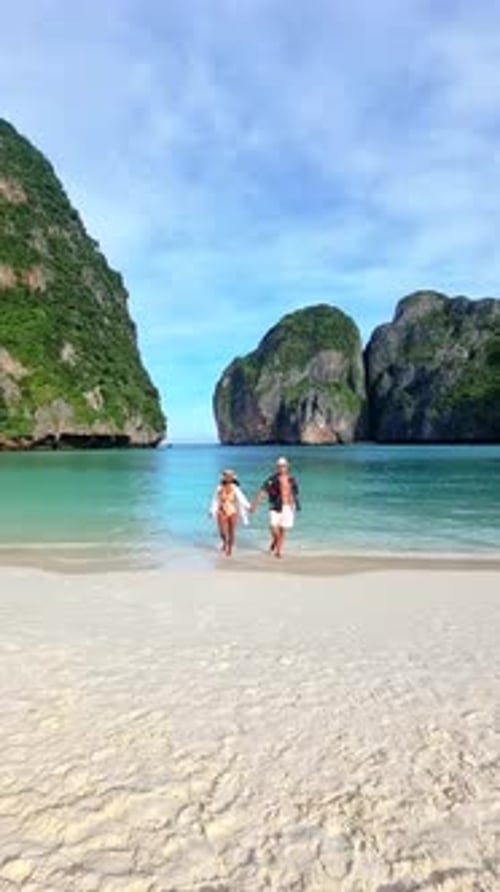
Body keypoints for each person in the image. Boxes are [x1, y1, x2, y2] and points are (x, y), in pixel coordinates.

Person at [251, 456, 300, 558]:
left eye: (284, 466)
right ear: (277, 467)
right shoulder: (272, 479)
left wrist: (295, 506)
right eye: (280, 466)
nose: (282, 468)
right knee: (273, 527)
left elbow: (294, 493)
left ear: (287, 467)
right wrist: (255, 504)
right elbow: (263, 491)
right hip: (275, 506)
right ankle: (275, 541)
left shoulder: (292, 479)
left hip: (288, 507)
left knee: (283, 530)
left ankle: (278, 551)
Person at [209, 469, 251, 556]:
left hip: (232, 511)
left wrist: (249, 507)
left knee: (231, 531)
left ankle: (229, 549)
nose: (228, 477)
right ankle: (225, 542)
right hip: (221, 511)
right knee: (222, 532)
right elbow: (215, 500)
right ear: (224, 477)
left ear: (232, 478)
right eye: (226, 476)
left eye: (230, 476)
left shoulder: (235, 488)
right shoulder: (219, 488)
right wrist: (212, 511)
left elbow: (242, 499)